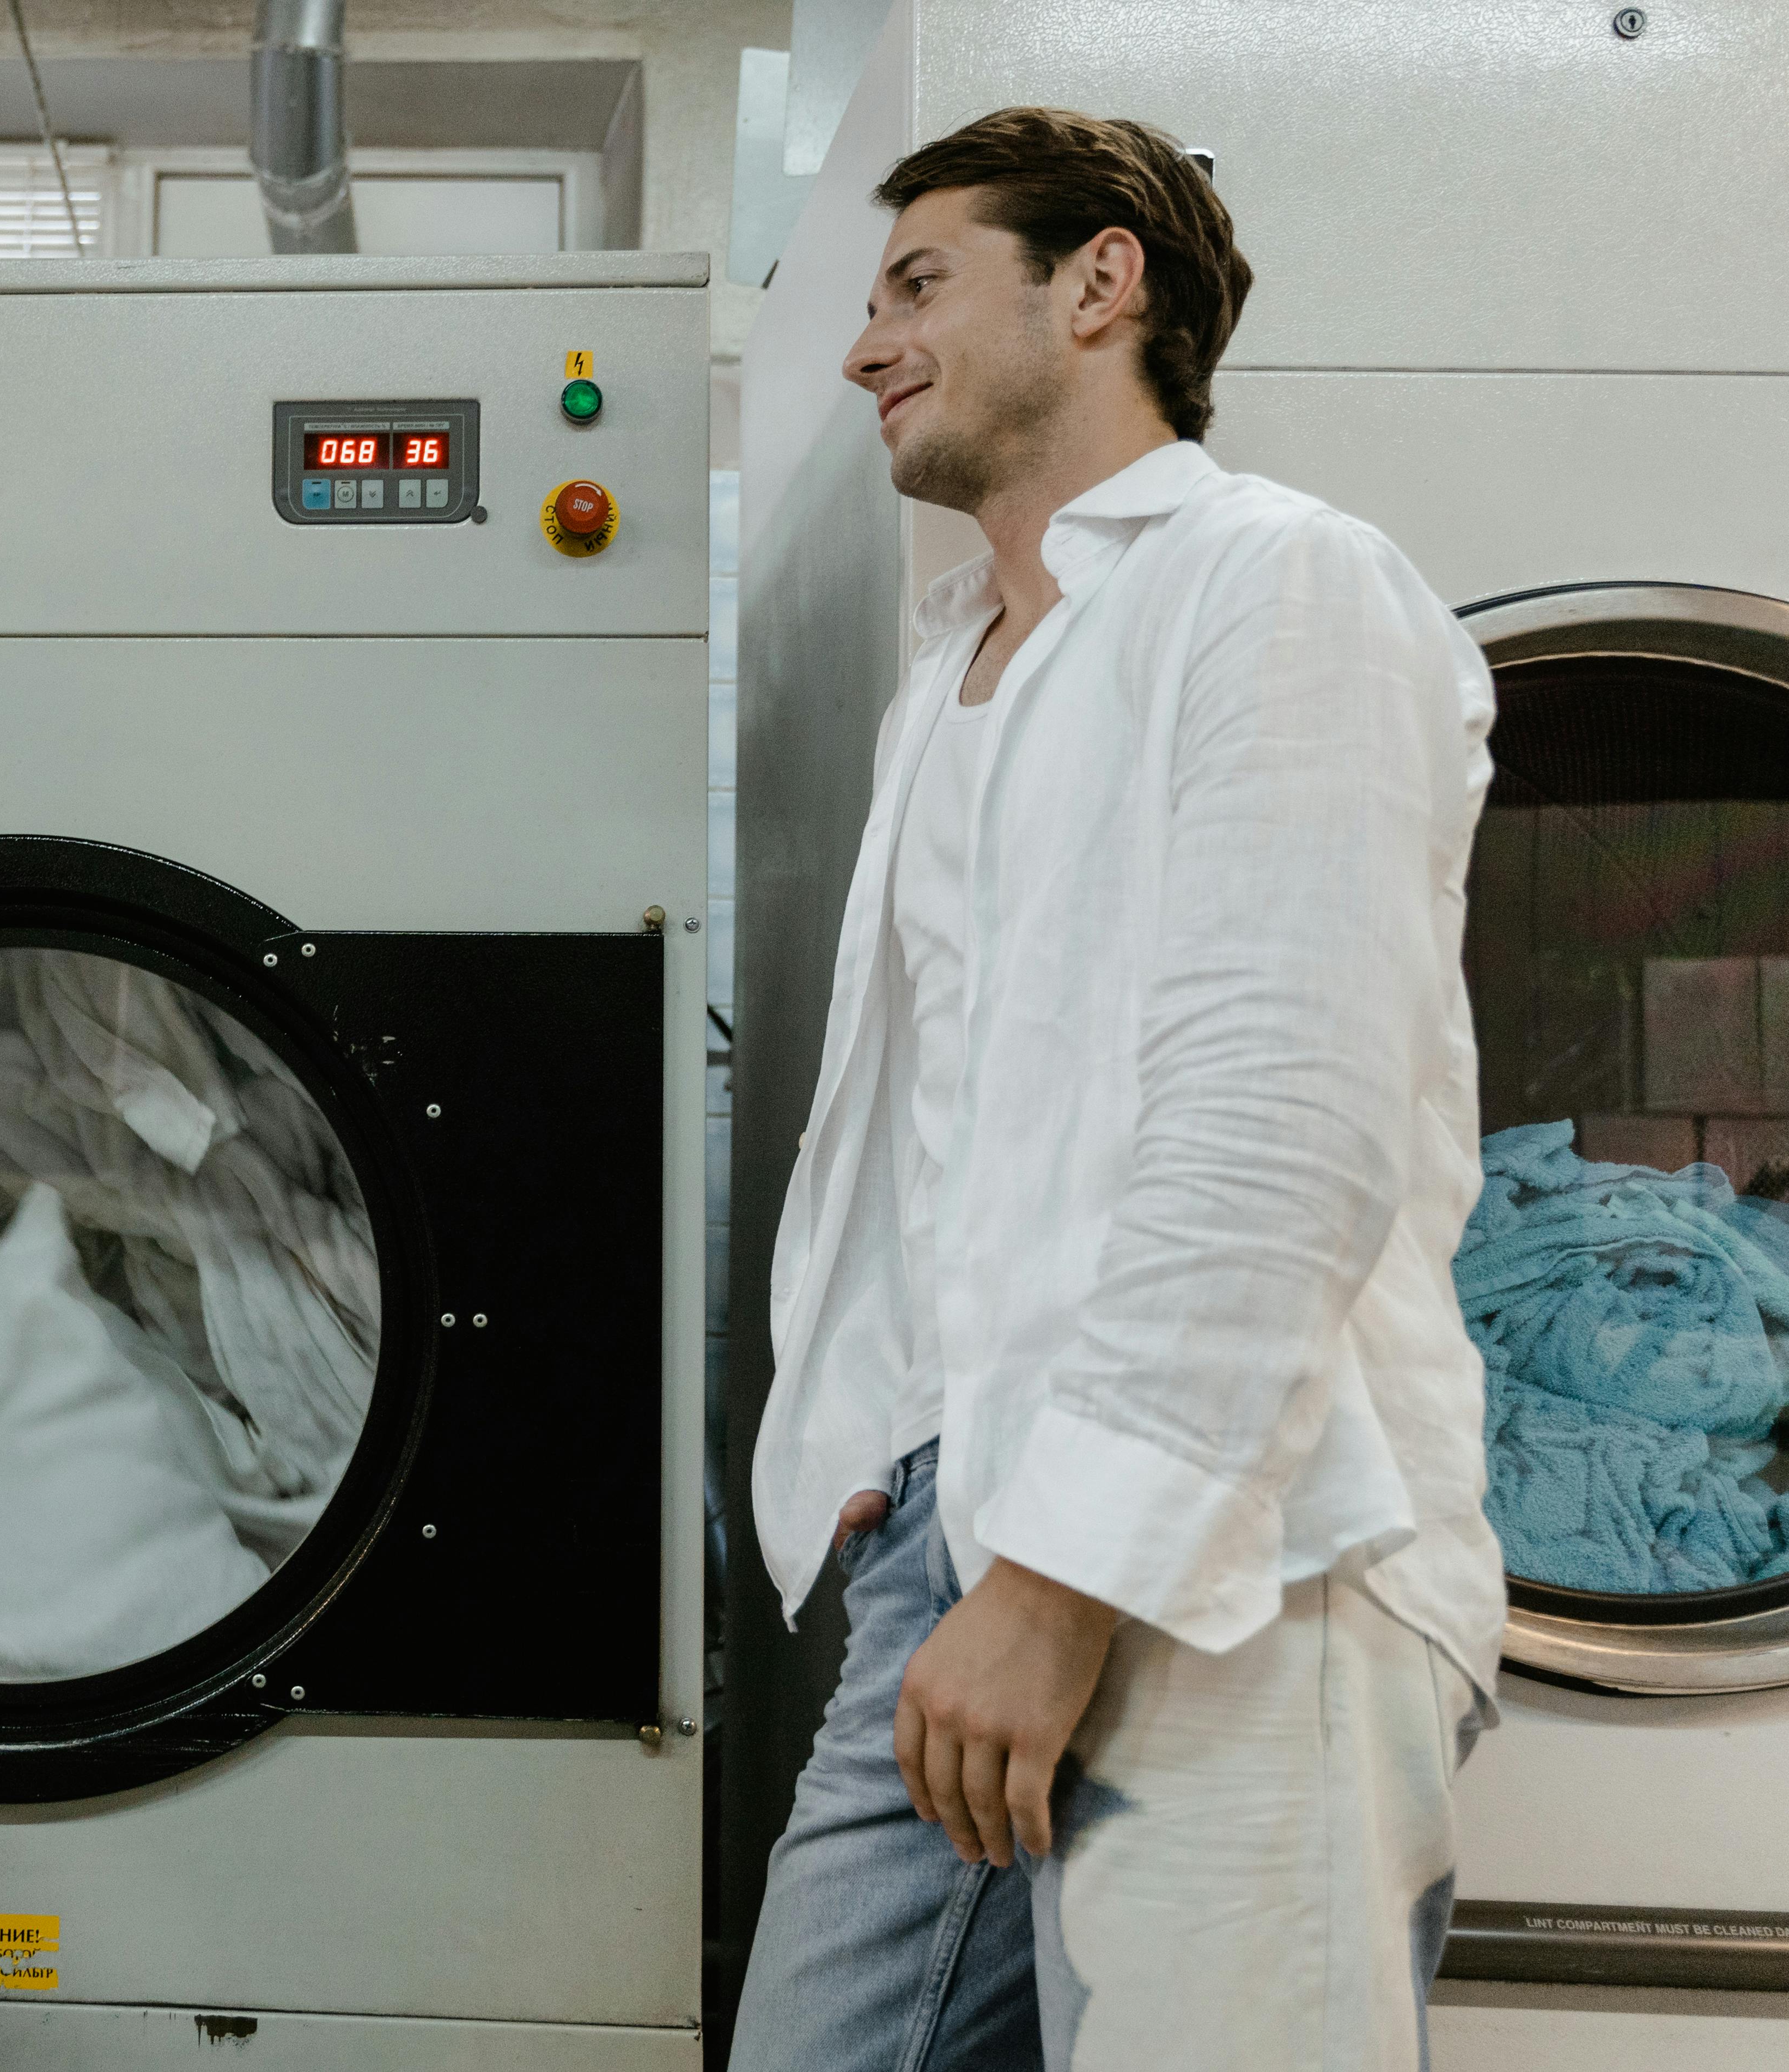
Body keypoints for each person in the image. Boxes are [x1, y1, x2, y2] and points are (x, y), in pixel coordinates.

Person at [732, 109, 1505, 2070]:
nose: (861, 347)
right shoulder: (952, 677)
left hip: (1259, 1557)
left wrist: (1063, 1578)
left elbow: (1284, 1105)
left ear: (1100, 284)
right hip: (949, 1520)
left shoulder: (1276, 585)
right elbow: (944, 1150)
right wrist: (892, 1463)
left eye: (916, 285)